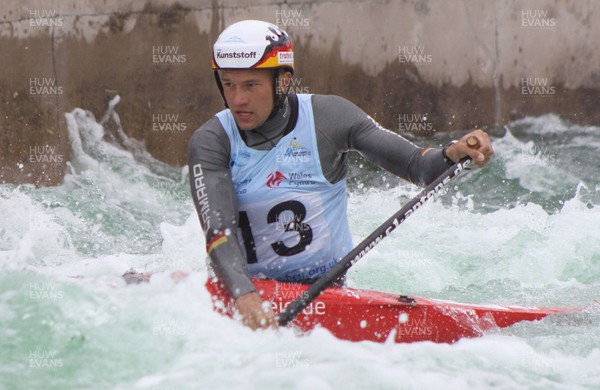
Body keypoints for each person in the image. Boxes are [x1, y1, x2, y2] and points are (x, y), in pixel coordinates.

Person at [188, 20, 493, 330]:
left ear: (283, 82)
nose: (237, 99)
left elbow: (418, 166)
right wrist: (245, 297)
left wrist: (452, 155)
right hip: (247, 290)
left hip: (327, 291)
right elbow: (218, 233)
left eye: (250, 85)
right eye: (228, 84)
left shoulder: (329, 119)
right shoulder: (212, 140)